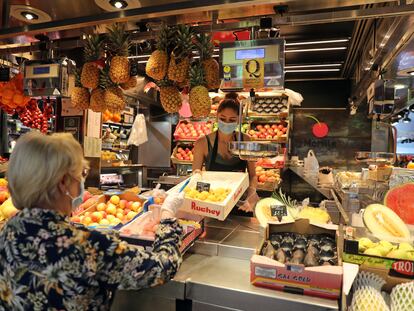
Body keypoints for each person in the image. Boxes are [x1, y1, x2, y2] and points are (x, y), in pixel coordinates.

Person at [0, 132, 184, 310]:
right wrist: (167, 217)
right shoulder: (89, 246)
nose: (82, 181)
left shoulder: (7, 233)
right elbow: (163, 266)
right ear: (64, 182)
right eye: (82, 173)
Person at [192, 97, 259, 212]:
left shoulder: (245, 140)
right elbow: (195, 178)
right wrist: (204, 198)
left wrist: (251, 194)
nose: (227, 123)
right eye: (223, 118)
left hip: (241, 203)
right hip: (213, 205)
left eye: (232, 120)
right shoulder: (202, 143)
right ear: (217, 117)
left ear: (238, 120)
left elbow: (252, 175)